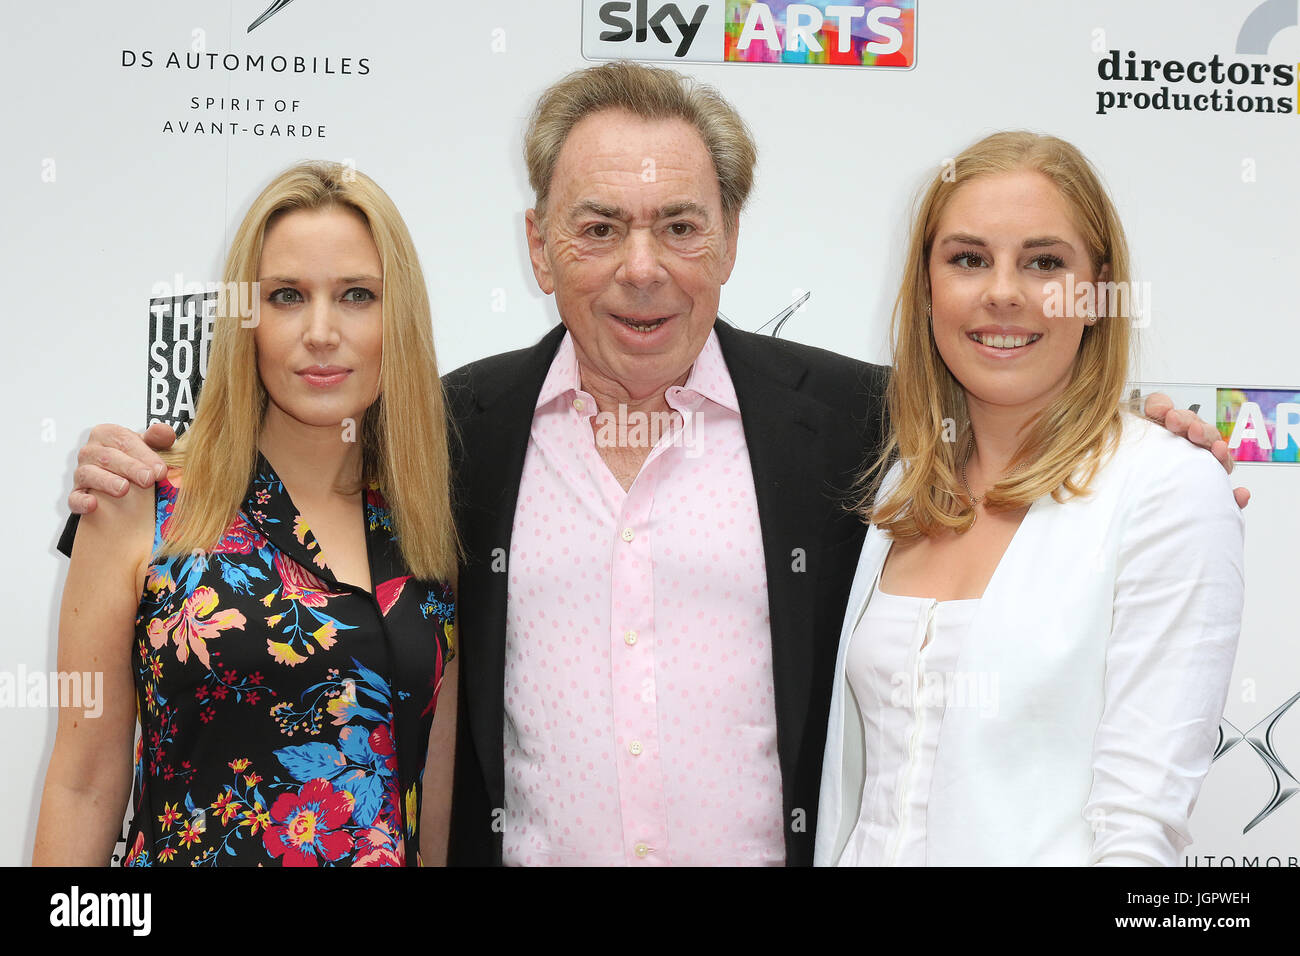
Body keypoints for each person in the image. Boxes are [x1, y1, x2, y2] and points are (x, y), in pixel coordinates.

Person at [57, 63, 1244, 867]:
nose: (642, 267)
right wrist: (146, 460)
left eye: (681, 224)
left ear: (730, 235)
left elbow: (1003, 396)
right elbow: (286, 472)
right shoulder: (450, 431)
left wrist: (1139, 438)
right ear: (537, 243)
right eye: (597, 225)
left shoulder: (851, 422)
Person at [814, 131, 1245, 866]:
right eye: (968, 259)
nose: (1003, 292)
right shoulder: (898, 488)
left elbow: (1140, 831)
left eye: (1045, 262)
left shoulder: (1165, 486)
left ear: (1098, 291)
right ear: (926, 286)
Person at [36, 161, 460, 867]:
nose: (321, 332)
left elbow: (430, 797)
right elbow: (82, 785)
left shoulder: (428, 529)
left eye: (357, 294)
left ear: (398, 317)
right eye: (287, 296)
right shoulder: (140, 501)